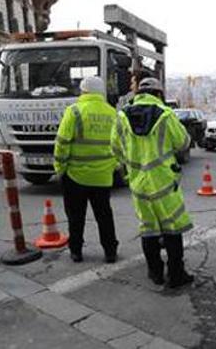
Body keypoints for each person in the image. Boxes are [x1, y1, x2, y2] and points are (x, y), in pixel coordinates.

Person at [111, 77, 195, 288]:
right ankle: (176, 275)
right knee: (172, 228)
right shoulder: (165, 115)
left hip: (138, 183)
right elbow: (184, 142)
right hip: (164, 183)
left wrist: (130, 164)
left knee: (148, 229)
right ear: (158, 94)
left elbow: (115, 148)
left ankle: (155, 272)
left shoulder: (122, 116)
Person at [54, 76, 119, 263]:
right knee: (104, 215)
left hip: (75, 176)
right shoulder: (112, 113)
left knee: (76, 217)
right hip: (103, 176)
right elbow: (118, 143)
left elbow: (62, 143)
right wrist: (113, 165)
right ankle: (110, 251)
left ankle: (76, 251)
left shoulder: (74, 112)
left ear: (83, 92)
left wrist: (60, 168)